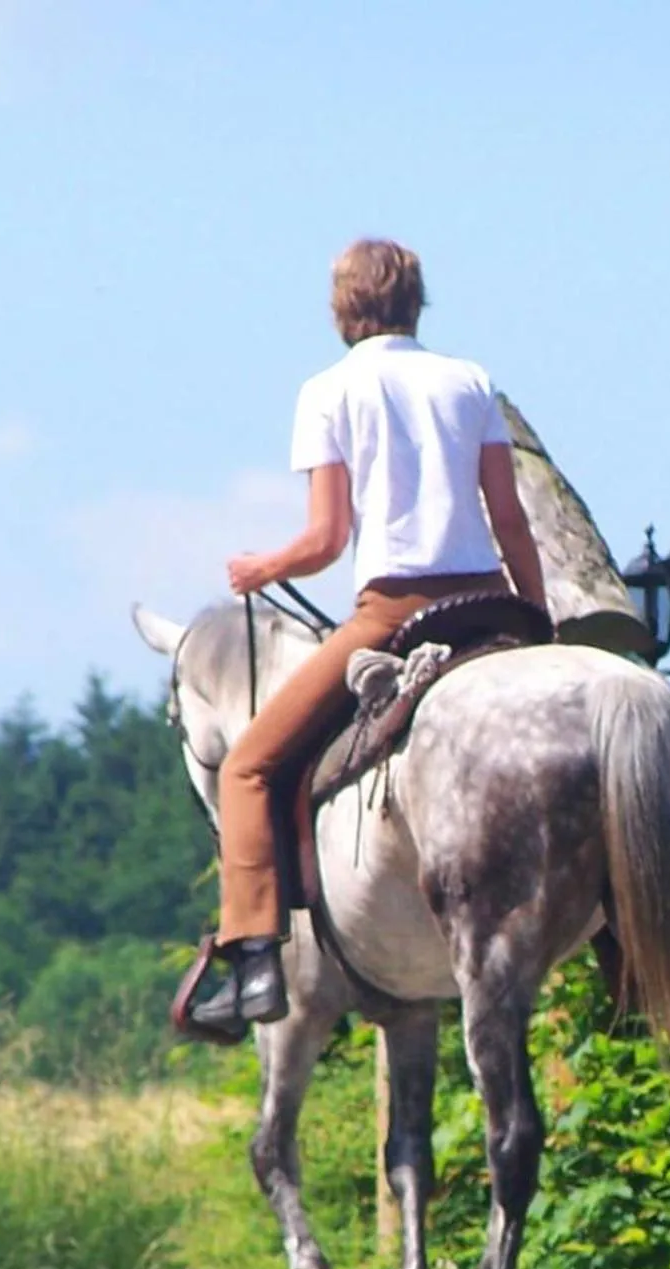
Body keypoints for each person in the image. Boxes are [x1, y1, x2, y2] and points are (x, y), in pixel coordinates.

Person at [189, 238, 549, 1031]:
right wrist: (538, 622)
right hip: (489, 603)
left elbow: (324, 540)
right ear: (417, 299)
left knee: (247, 766)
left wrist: (262, 565)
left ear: (341, 307)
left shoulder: (328, 390)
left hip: (392, 615)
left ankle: (253, 964)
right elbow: (510, 519)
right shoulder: (470, 381)